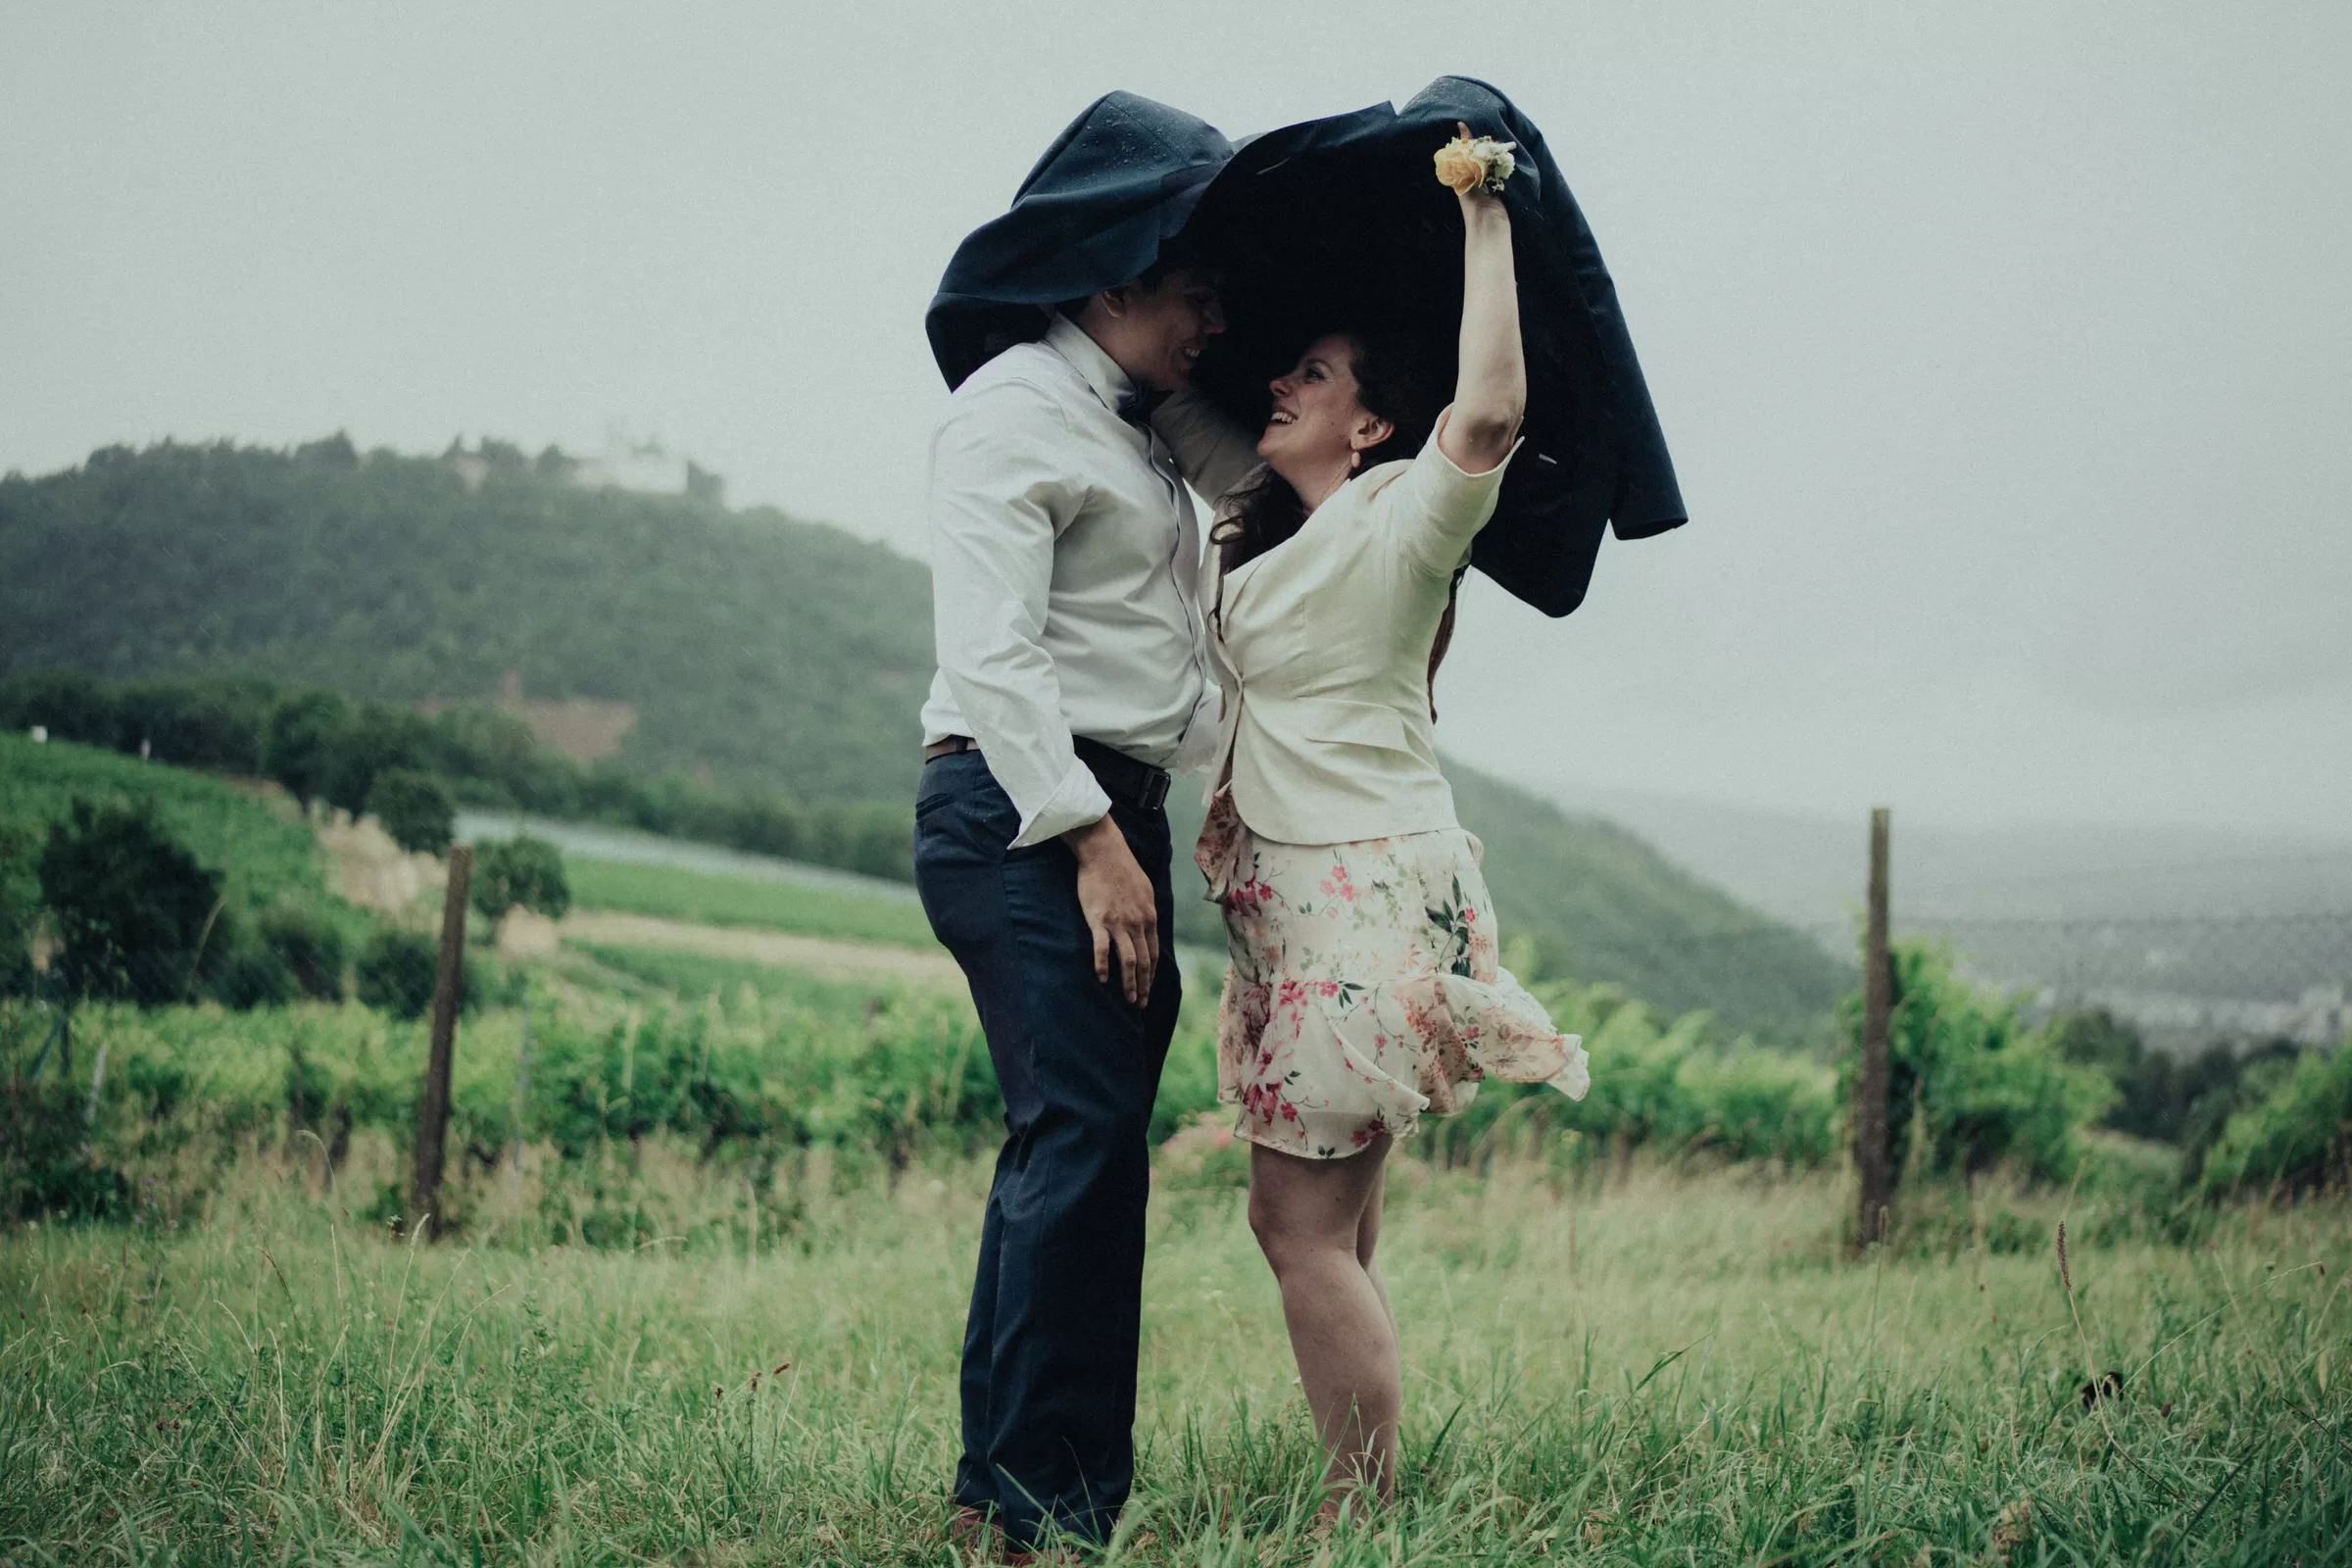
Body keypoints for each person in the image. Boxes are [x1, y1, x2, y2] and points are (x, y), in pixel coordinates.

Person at [1152, 125, 1591, 1517]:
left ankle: (1360, 1517)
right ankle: (1369, 1490)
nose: (1280, 385)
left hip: (1357, 892)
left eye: (1317, 374)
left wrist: (1484, 211)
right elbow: (1174, 405)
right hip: (1309, 897)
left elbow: (1492, 413)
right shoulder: (1277, 525)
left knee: (1295, 1226)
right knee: (1339, 1222)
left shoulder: (1405, 516)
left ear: (1376, 420)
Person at [914, 92, 1230, 1558]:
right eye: (1193, 289)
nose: (1212, 318)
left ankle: (1015, 1495)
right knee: (1082, 1138)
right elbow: (995, 653)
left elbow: (1176, 640)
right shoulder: (1008, 411)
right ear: (1113, 281)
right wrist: (1091, 836)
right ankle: (1040, 1508)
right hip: (1027, 810)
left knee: (1081, 1146)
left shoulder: (1152, 431)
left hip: (1116, 813)